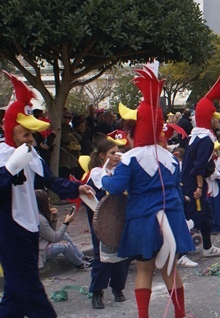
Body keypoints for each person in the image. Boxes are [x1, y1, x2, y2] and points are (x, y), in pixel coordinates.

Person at [101, 67, 195, 318]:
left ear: (133, 132)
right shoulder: (172, 158)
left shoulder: (130, 158)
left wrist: (103, 175)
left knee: (144, 270)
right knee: (170, 270)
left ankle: (144, 316)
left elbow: (115, 188)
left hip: (143, 220)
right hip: (171, 219)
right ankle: (179, 314)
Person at [0, 71, 93, 318]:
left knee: (14, 291)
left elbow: (51, 181)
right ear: (10, 129)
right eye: (26, 134)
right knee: (29, 289)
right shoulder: (1, 154)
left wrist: (77, 188)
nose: (31, 139)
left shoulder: (31, 153)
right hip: (9, 230)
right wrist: (9, 168)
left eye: (32, 134)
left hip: (29, 228)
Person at [182, 77, 220, 261]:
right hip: (194, 185)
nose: (216, 120)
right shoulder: (204, 139)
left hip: (190, 181)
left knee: (205, 215)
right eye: (214, 116)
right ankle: (179, 252)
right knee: (195, 216)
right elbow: (199, 166)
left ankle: (207, 247)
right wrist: (200, 187)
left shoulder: (195, 137)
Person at [84, 138, 130, 309]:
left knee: (122, 255)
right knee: (102, 257)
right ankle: (97, 292)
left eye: (118, 153)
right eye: (112, 153)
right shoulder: (96, 174)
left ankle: (118, 289)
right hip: (103, 222)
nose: (116, 156)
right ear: (103, 155)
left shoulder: (122, 172)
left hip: (120, 218)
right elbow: (88, 198)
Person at [36, 189, 90, 270]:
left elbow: (50, 233)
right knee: (65, 246)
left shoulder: (38, 215)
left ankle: (82, 257)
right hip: (40, 253)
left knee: (64, 235)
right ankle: (81, 264)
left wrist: (54, 218)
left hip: (43, 244)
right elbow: (54, 238)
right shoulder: (39, 218)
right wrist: (66, 223)